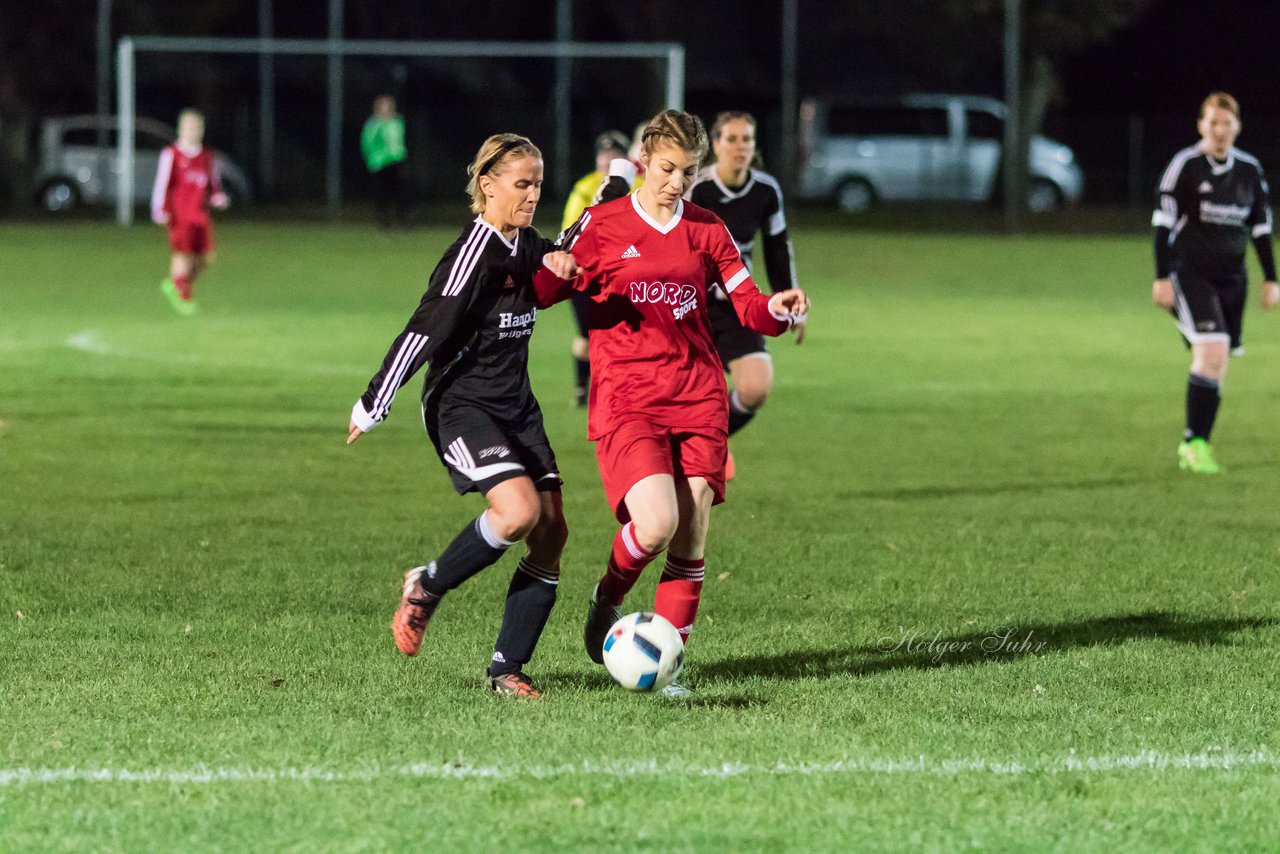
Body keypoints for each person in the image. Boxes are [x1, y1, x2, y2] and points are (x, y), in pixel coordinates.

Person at [535, 110, 809, 697]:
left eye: (686, 171)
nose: (675, 182)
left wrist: (779, 310)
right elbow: (544, 288)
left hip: (698, 394)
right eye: (665, 169)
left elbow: (749, 307)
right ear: (643, 162)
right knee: (656, 523)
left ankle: (669, 670)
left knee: (691, 532)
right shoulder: (602, 223)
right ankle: (608, 595)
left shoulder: (708, 229)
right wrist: (557, 270)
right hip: (629, 396)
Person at [347, 133, 578, 698]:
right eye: (521, 184)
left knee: (550, 534)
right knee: (518, 511)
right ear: (487, 184)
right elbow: (425, 328)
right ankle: (427, 585)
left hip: (517, 406)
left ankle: (506, 669)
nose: (531, 195)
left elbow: (554, 262)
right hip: (461, 404)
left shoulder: (522, 241)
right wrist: (375, 401)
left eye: (538, 185)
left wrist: (570, 249)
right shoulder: (473, 252)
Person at [1151, 92, 1278, 474]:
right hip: (1190, 273)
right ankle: (1195, 444)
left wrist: (1271, 278)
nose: (1219, 130)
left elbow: (1260, 228)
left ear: (1237, 127)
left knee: (1215, 362)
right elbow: (1162, 223)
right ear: (1200, 125)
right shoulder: (1185, 165)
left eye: (1226, 123)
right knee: (1212, 351)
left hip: (1233, 279)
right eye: (1212, 123)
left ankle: (1196, 443)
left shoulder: (1249, 170)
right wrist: (1160, 277)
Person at [687, 111, 804, 479]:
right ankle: (677, 454)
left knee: (755, 388)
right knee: (686, 392)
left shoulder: (766, 190)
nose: (740, 148)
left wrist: (790, 300)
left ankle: (710, 442)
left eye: (747, 140)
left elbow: (777, 247)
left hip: (740, 304)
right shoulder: (696, 189)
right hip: (692, 306)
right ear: (716, 145)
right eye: (732, 139)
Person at [561, 130, 633, 407]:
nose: (607, 160)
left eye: (613, 154)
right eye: (604, 154)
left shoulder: (639, 184)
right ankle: (582, 389)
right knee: (586, 335)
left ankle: (616, 392)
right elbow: (572, 232)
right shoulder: (585, 187)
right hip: (587, 273)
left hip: (623, 274)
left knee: (622, 336)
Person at [151, 108, 228, 316]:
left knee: (205, 259)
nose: (193, 131)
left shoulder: (207, 156)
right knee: (183, 256)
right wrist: (160, 209)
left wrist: (218, 197)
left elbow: (212, 185)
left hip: (200, 216)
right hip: (179, 214)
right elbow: (162, 184)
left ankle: (175, 283)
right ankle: (184, 298)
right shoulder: (171, 155)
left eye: (197, 127)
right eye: (189, 127)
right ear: (180, 129)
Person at [361, 95, 409, 230]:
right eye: (383, 106)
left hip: (397, 160)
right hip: (380, 163)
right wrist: (371, 160)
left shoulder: (398, 121)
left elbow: (399, 141)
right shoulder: (374, 124)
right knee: (382, 194)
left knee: (399, 192)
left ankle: (400, 220)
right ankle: (383, 222)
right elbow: (367, 142)